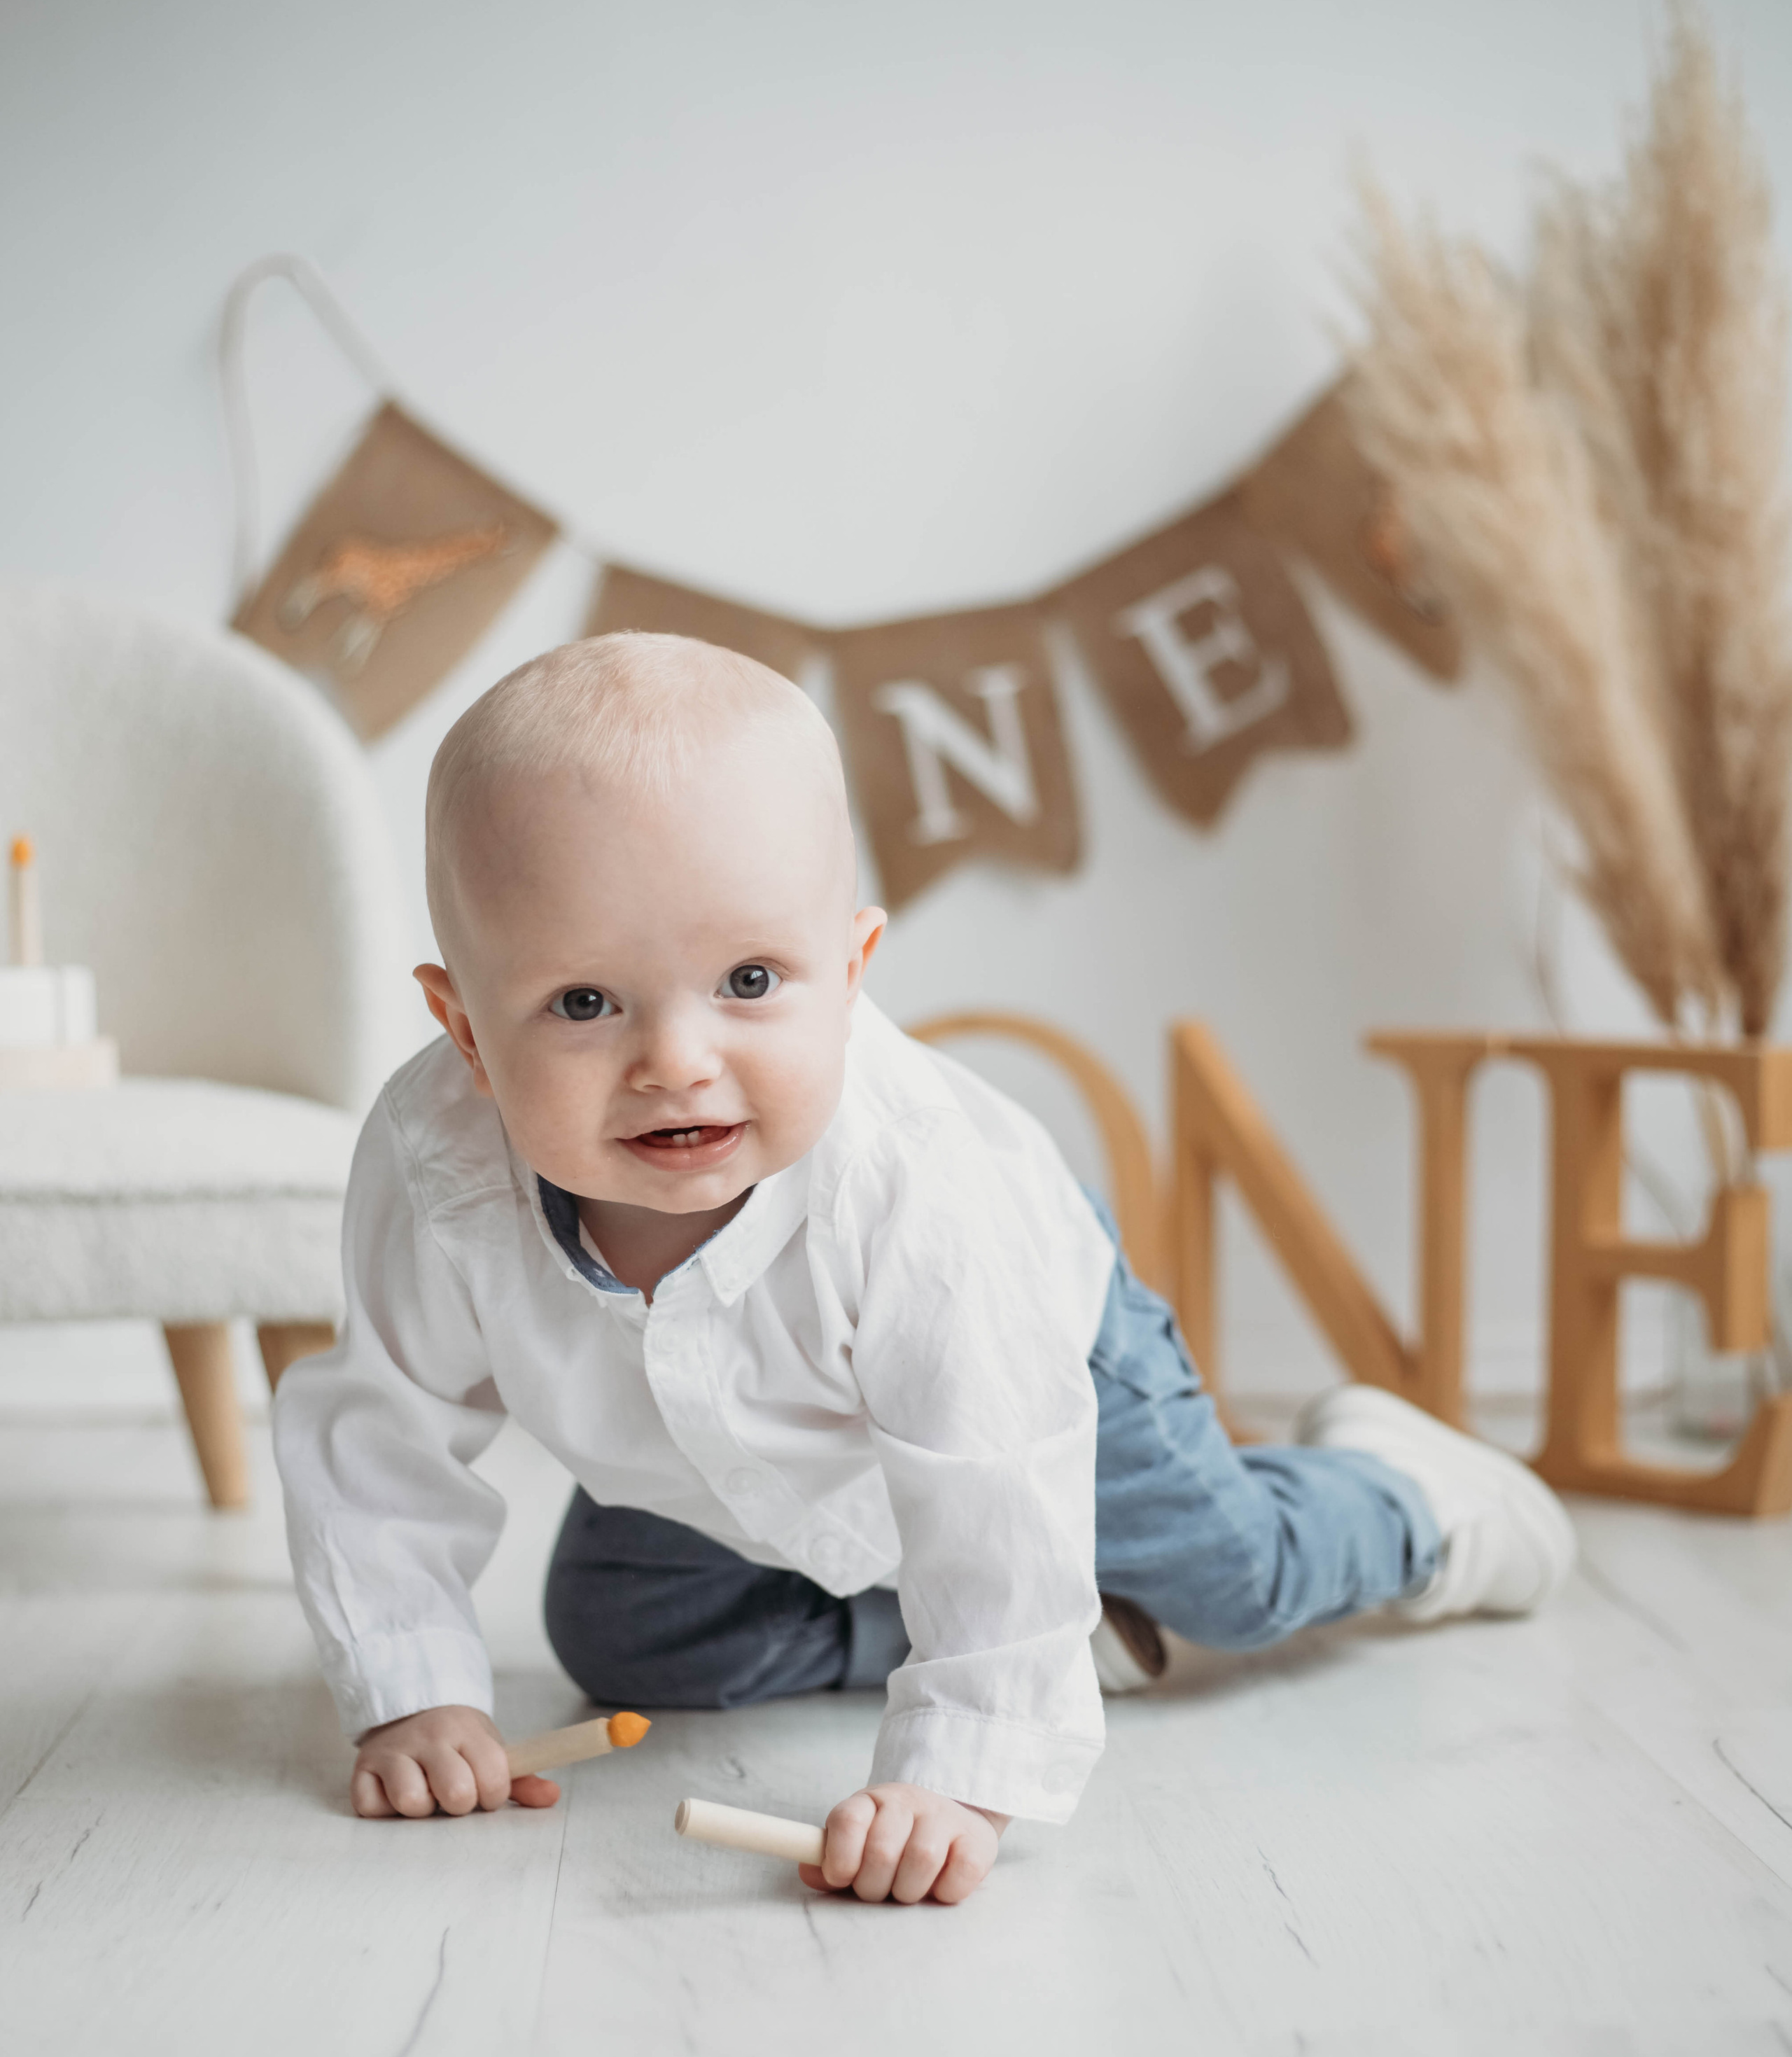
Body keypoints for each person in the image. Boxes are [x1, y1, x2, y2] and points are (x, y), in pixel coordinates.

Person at [274, 634, 1575, 1907]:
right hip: (700, 1450)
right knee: (626, 1642)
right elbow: (378, 1429)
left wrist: (959, 1774)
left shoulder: (915, 1190)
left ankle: (1411, 1503)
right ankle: (1043, 1630)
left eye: (748, 979)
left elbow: (992, 1474)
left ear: (851, 971)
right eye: (582, 1004)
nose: (675, 1058)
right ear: (463, 1032)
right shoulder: (435, 1165)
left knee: (1233, 1577)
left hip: (1037, 1368)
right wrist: (417, 1696)